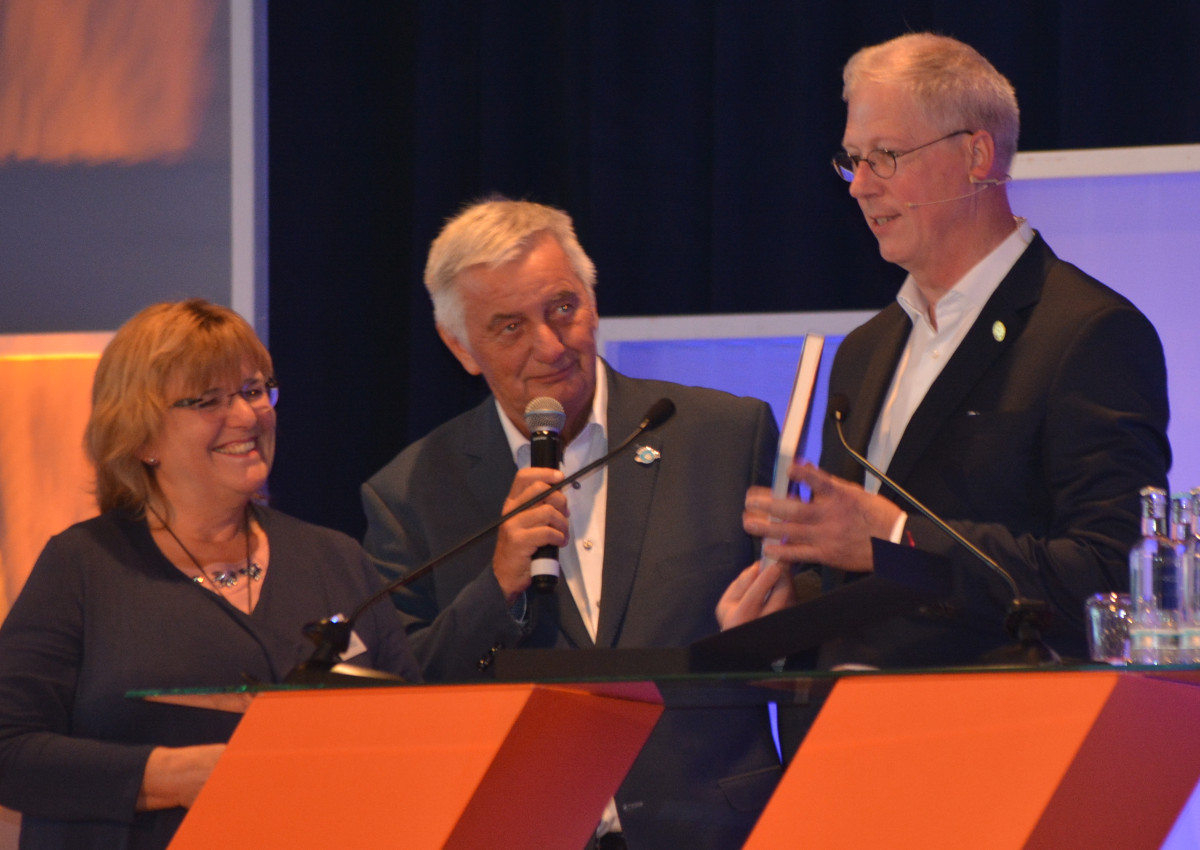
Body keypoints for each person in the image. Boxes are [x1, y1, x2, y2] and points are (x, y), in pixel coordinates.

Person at [719, 32, 1171, 668]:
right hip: (842, 741)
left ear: (978, 155)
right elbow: (870, 582)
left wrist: (896, 536)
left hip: (991, 742)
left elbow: (1107, 575)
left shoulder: (1088, 333)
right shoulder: (865, 350)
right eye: (853, 159)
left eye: (886, 155)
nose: (859, 187)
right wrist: (791, 612)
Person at [362, 198, 782, 849]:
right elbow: (404, 700)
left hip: (714, 828)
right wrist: (495, 586)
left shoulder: (724, 435)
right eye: (508, 327)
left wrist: (780, 620)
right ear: (460, 346)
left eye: (563, 308)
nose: (551, 346)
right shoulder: (408, 493)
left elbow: (808, 617)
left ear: (592, 298)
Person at [0, 299, 420, 850]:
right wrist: (170, 777)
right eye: (208, 400)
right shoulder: (83, 567)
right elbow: (9, 750)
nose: (247, 416)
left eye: (253, 391)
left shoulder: (333, 557)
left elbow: (418, 734)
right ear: (142, 436)